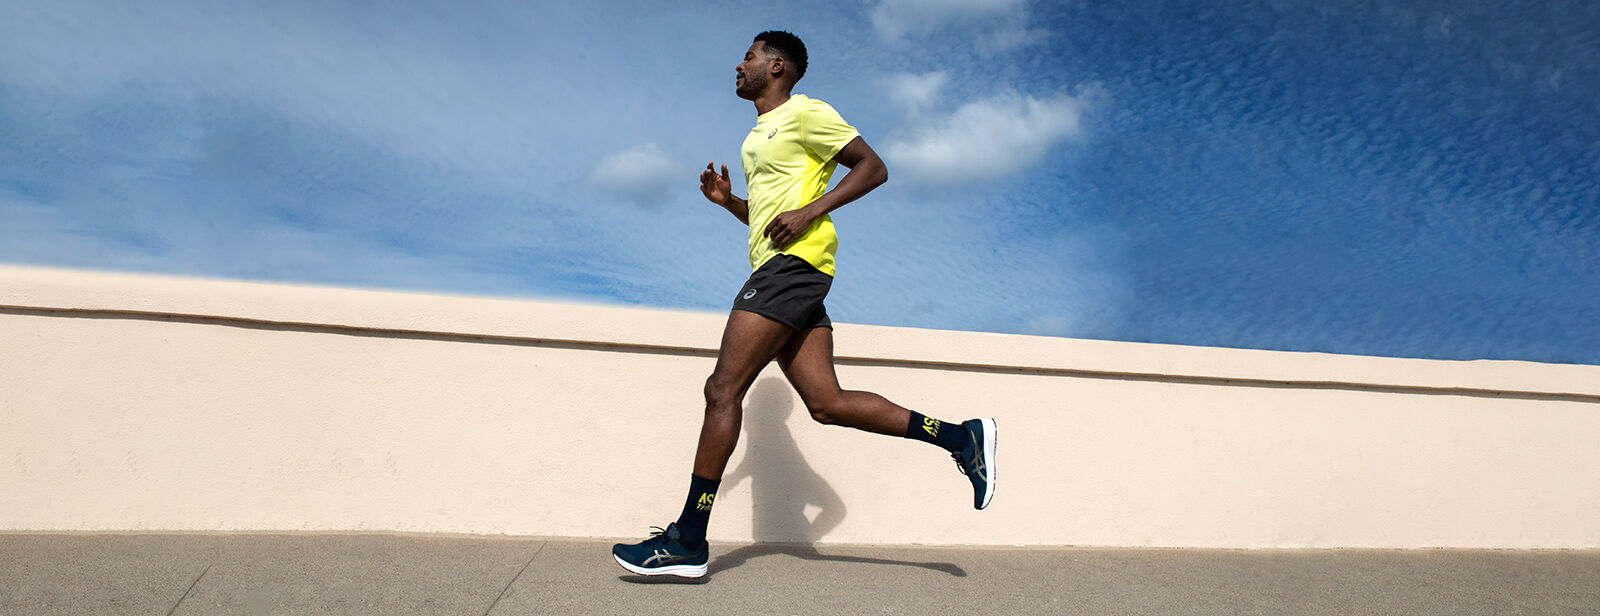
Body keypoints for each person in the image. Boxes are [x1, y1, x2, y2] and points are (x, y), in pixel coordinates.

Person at [612, 30, 996, 579]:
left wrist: (813, 211)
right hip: (789, 269)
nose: (738, 64)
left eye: (749, 56)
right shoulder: (761, 133)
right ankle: (962, 437)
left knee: (722, 389)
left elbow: (873, 167)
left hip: (793, 270)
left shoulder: (807, 113)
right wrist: (729, 204)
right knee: (827, 403)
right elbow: (774, 223)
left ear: (778, 68)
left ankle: (689, 539)